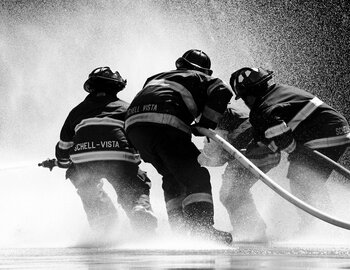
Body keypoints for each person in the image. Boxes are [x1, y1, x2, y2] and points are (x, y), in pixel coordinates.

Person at [124, 49, 233, 244]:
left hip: (134, 129)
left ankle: (181, 233)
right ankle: (203, 232)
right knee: (196, 175)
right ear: (205, 70)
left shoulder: (155, 78)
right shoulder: (200, 77)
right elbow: (223, 91)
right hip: (164, 125)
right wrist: (206, 123)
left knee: (173, 177)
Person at [229, 67, 350, 233]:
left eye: (243, 98)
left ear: (248, 95)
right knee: (308, 178)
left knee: (301, 177)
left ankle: (319, 228)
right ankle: (322, 224)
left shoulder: (263, 109)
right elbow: (270, 135)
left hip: (322, 134)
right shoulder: (279, 92)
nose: (245, 102)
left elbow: (282, 138)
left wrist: (290, 149)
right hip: (335, 129)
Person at [55, 66, 157, 236]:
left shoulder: (76, 112)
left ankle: (102, 220)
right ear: (117, 87)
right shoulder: (127, 108)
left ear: (91, 87)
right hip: (118, 155)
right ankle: (138, 206)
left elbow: (64, 146)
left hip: (83, 158)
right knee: (132, 184)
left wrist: (64, 162)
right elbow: (139, 135)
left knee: (85, 184)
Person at [198, 105, 281, 241]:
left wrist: (191, 157)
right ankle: (253, 229)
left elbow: (215, 156)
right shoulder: (224, 110)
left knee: (230, 193)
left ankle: (252, 231)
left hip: (255, 153)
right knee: (236, 191)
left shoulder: (214, 115)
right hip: (261, 152)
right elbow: (219, 153)